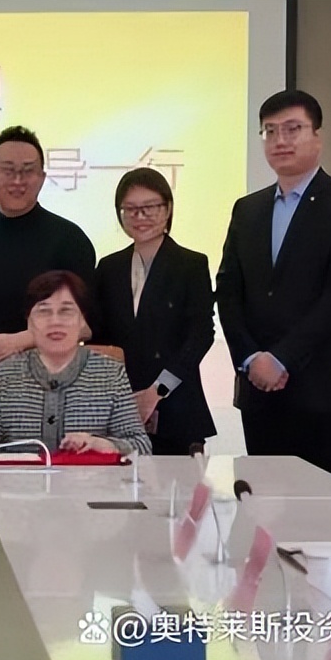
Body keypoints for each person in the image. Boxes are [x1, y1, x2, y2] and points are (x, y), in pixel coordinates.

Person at [215, 90, 331, 484]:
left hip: (325, 391)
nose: (280, 140)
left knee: (328, 506)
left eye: (292, 129)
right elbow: (228, 289)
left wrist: (282, 359)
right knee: (265, 504)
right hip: (260, 393)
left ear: (317, 136)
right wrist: (252, 358)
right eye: (270, 131)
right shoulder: (247, 209)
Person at [0, 126, 96, 415]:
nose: (18, 180)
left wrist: (20, 340)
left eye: (28, 171)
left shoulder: (69, 239)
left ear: (42, 177)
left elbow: (86, 324)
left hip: (49, 398)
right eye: (8, 170)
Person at [92, 168, 216, 455]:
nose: (140, 217)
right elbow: (100, 339)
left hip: (176, 406)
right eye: (131, 209)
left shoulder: (191, 265)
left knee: (176, 484)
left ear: (168, 208)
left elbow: (201, 335)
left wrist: (158, 391)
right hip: (120, 406)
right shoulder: (109, 268)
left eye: (150, 207)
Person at [0, 271, 151, 457]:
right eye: (44, 311)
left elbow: (141, 445)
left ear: (82, 320)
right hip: (20, 479)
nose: (55, 321)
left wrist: (105, 445)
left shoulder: (110, 374)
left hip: (89, 479)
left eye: (66, 311)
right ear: (29, 322)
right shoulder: (4, 375)